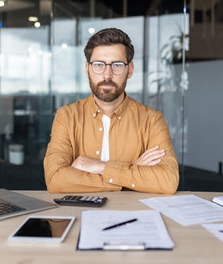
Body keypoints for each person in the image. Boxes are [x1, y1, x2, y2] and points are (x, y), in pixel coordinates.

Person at [44, 28, 179, 194]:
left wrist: (100, 167)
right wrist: (131, 173)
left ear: (130, 70)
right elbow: (55, 180)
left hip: (134, 216)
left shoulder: (152, 120)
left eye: (117, 65)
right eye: (99, 65)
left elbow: (168, 180)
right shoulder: (66, 116)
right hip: (80, 214)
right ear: (87, 69)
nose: (107, 74)